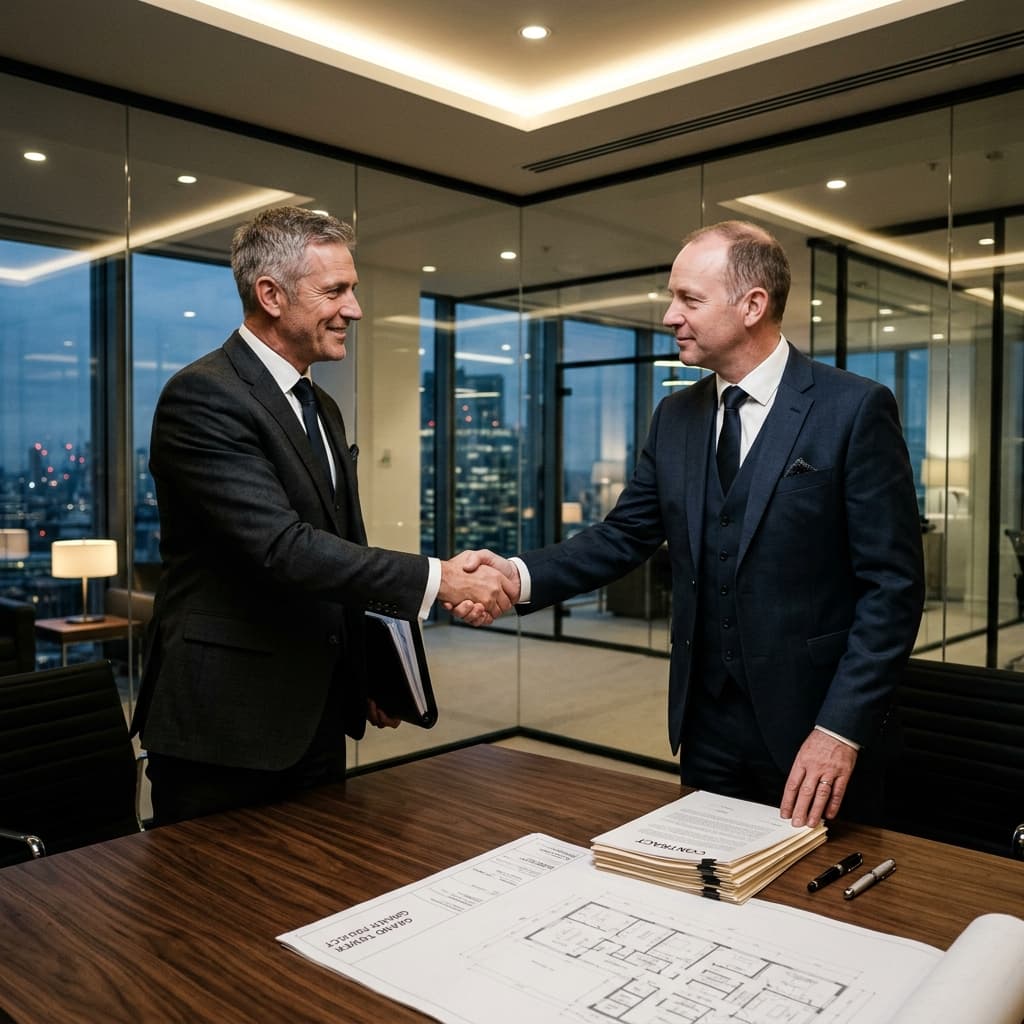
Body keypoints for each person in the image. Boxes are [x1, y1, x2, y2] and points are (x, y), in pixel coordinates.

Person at [458, 221, 924, 829]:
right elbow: (623, 535)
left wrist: (840, 728)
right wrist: (516, 577)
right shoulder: (675, 415)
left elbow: (892, 589)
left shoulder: (854, 408)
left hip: (816, 727)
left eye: (689, 299)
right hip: (706, 725)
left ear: (753, 305)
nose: (669, 315)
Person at [132, 206, 515, 825]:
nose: (355, 309)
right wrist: (440, 578)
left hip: (315, 713)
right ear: (271, 295)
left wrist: (365, 670)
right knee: (212, 912)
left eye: (352, 289)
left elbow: (341, 547)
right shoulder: (203, 396)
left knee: (318, 897)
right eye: (336, 290)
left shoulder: (321, 405)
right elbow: (285, 548)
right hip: (226, 723)